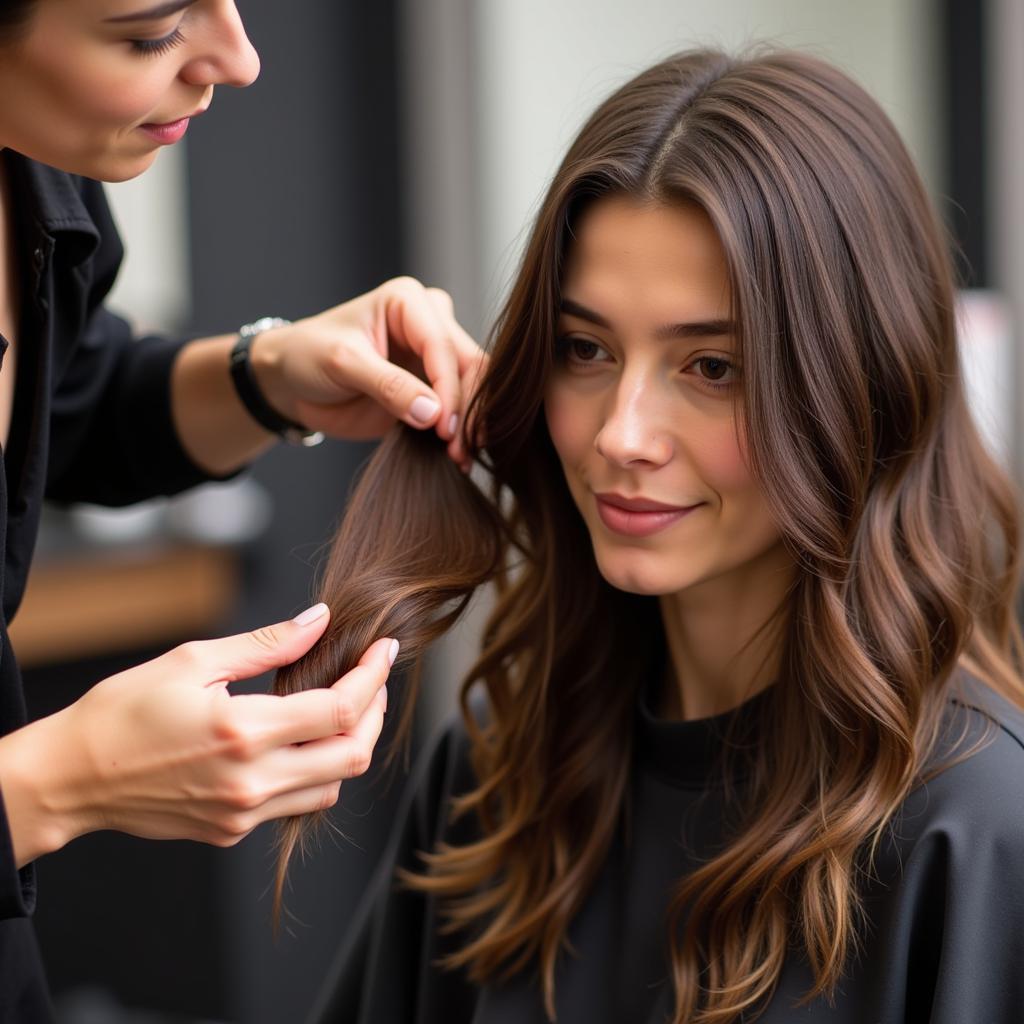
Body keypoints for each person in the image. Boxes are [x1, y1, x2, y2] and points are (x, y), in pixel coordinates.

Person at [287, 48, 1024, 1024]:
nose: (620, 434)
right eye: (585, 349)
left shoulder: (971, 830)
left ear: (858, 388)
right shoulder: (495, 770)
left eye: (711, 366)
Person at [0, 0, 486, 1017]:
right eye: (149, 35)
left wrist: (270, 373)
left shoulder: (33, 173)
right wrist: (60, 781)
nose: (240, 61)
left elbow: (66, 408)